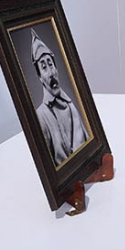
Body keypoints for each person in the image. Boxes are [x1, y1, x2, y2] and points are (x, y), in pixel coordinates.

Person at [31, 30, 88, 165]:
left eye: (51, 64)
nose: (50, 73)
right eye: (44, 67)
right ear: (40, 77)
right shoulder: (41, 116)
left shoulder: (71, 105)